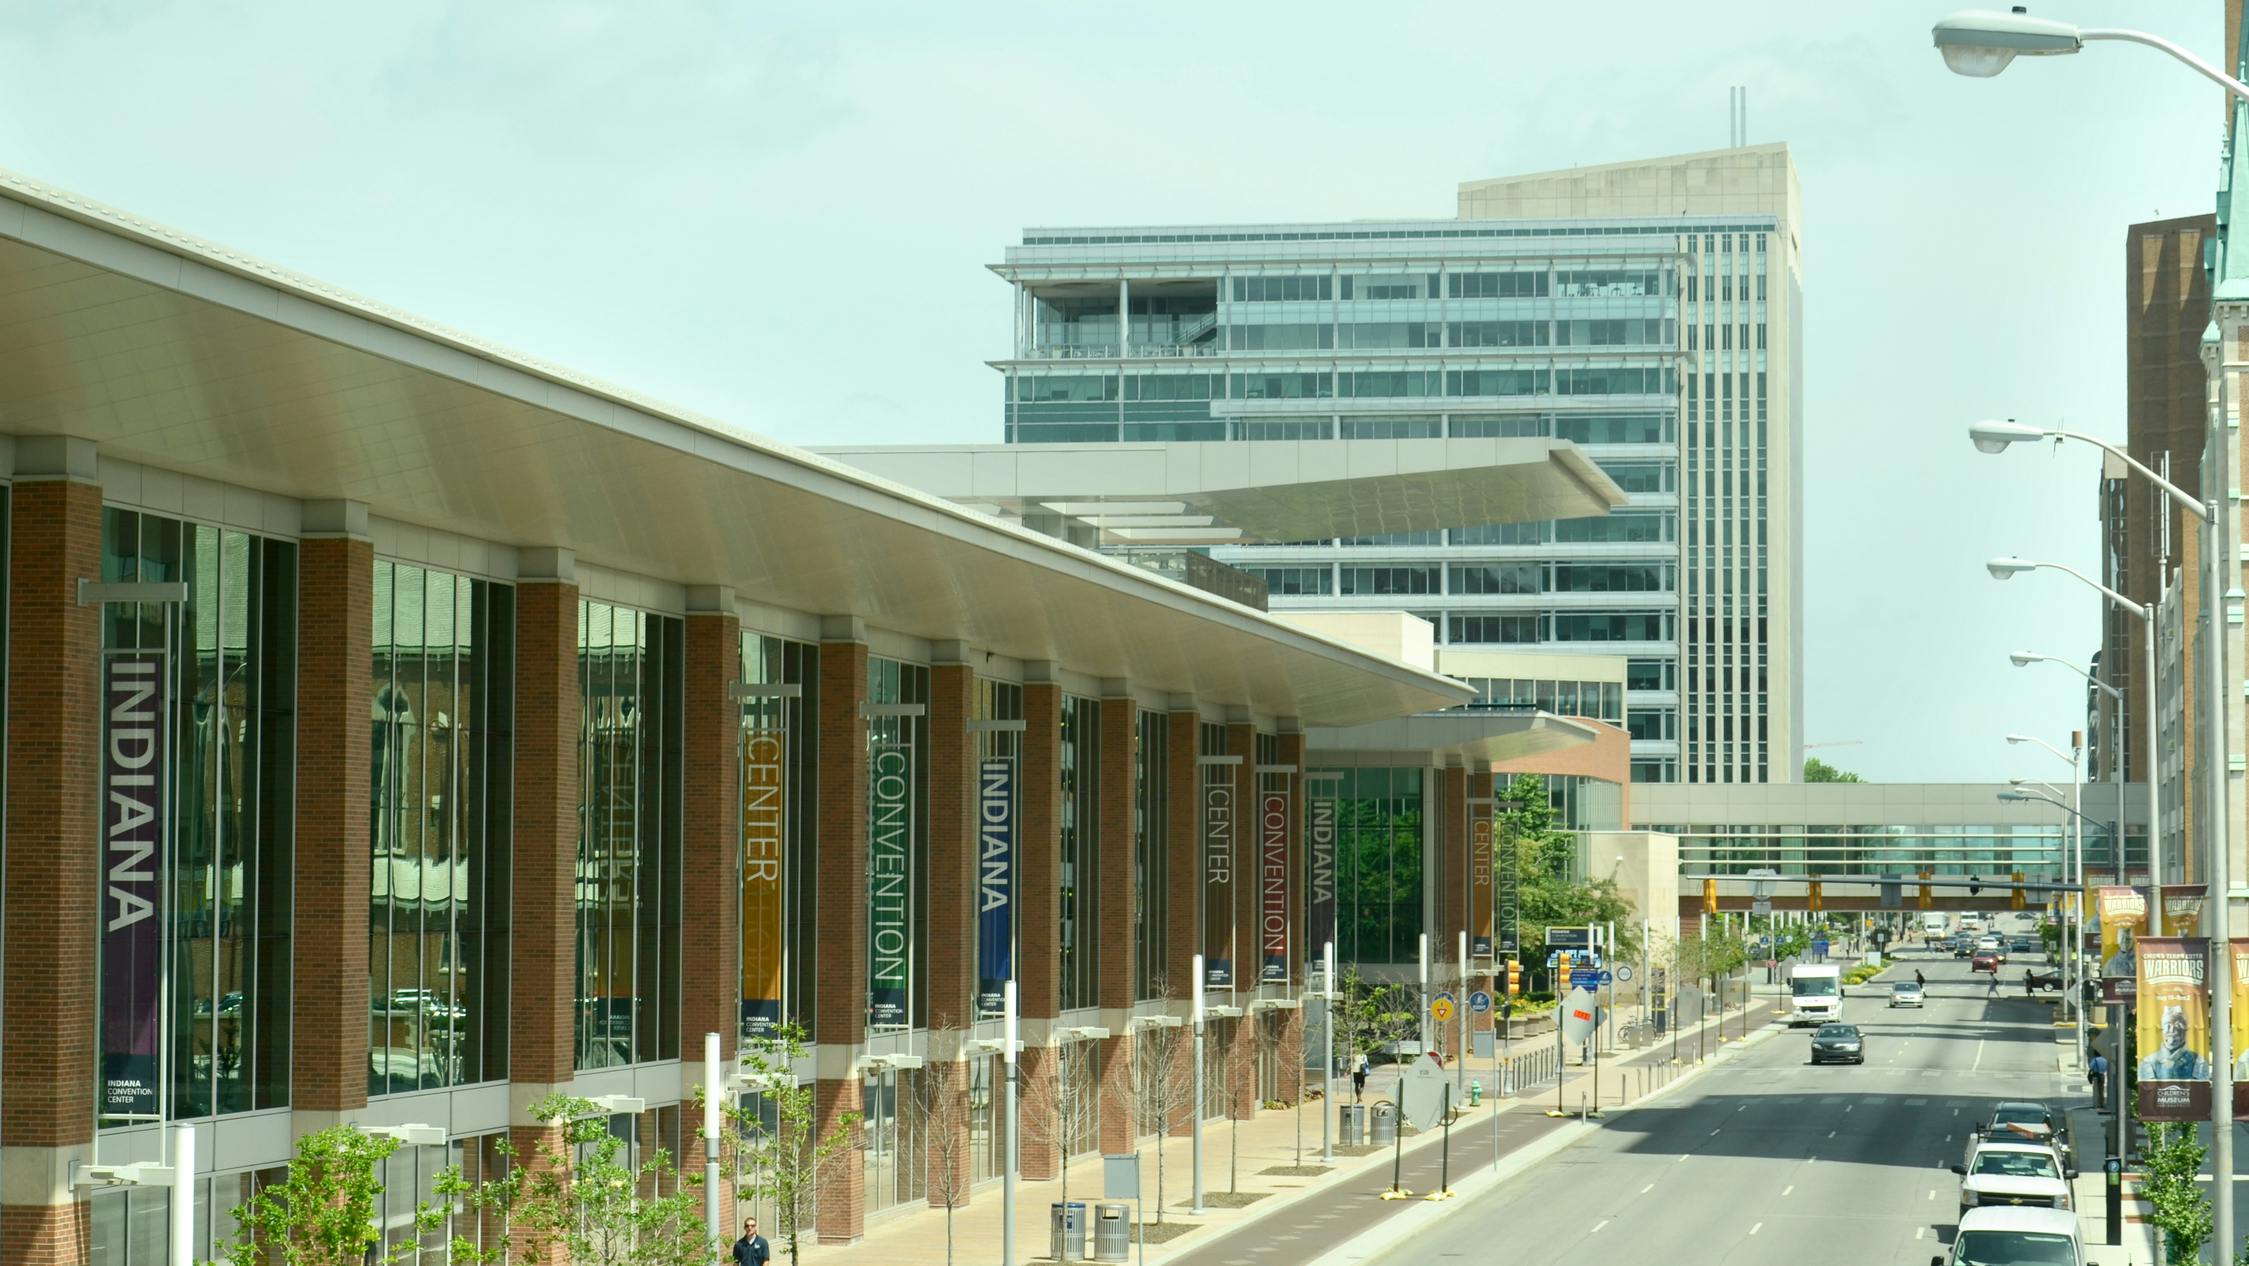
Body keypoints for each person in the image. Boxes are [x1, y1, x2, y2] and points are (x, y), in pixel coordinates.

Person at [2138, 1005, 2213, 1080]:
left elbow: (2201, 1085)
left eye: (2178, 1025)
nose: (2172, 1030)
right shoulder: (2149, 1061)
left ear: (2186, 1029)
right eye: (2167, 1026)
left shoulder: (2198, 1061)